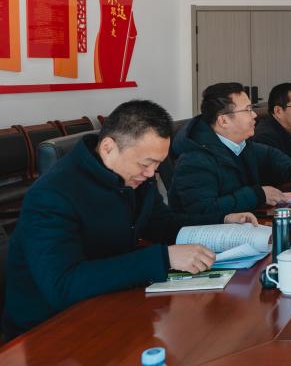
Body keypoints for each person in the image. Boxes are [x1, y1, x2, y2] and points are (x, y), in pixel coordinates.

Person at [2, 100, 257, 339]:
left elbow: (162, 224)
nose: (151, 174)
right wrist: (164, 258)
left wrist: (222, 220)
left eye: (157, 165)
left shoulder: (134, 177)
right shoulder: (52, 195)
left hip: (108, 303)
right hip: (49, 329)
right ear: (108, 148)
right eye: (146, 164)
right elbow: (63, 285)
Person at [170, 82, 291, 217]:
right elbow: (203, 211)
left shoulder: (240, 143)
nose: (254, 115)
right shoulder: (194, 159)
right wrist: (258, 195)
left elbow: (270, 155)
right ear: (223, 121)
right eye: (248, 110)